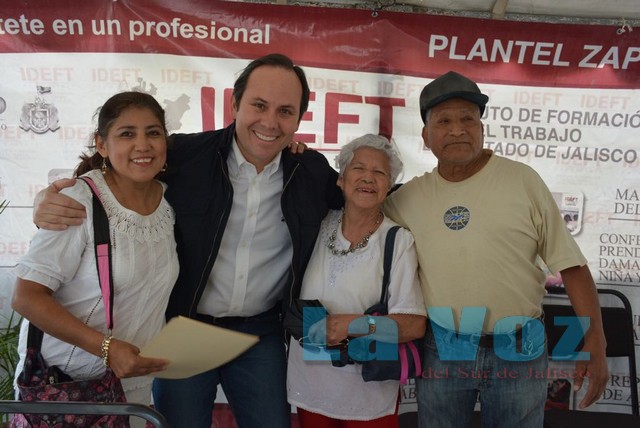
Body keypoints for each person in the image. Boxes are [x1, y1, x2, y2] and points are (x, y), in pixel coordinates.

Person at [32, 53, 343, 428]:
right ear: (234, 103)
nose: (270, 122)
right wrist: (49, 198)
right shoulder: (185, 154)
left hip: (260, 335)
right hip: (183, 331)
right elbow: (122, 171)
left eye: (285, 112)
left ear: (299, 118)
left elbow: (366, 200)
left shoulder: (310, 171)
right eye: (258, 105)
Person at [383, 71, 609, 428]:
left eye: (467, 119)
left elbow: (572, 267)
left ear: (482, 128)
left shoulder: (523, 181)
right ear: (425, 137)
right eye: (444, 121)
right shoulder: (407, 199)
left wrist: (595, 339)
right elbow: (355, 211)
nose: (457, 129)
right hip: (445, 350)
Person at [12, 91, 178, 428]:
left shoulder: (172, 203)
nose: (142, 145)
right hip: (66, 388)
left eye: (153, 132)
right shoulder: (79, 201)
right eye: (127, 133)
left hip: (130, 389)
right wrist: (106, 348)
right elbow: (26, 296)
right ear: (101, 145)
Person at [286, 134, 426, 428]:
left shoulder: (397, 240)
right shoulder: (317, 223)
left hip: (368, 388)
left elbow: (413, 325)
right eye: (358, 169)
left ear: (388, 186)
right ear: (340, 179)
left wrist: (354, 324)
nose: (368, 178)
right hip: (310, 379)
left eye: (379, 173)